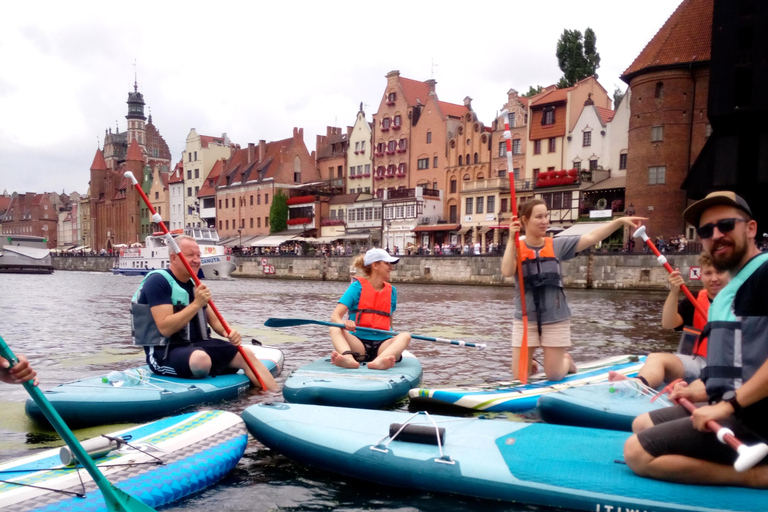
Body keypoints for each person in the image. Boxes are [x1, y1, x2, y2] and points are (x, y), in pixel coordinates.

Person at [625, 191, 768, 487]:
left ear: (751, 229)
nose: (716, 235)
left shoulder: (764, 276)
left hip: (755, 420)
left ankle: (757, 475)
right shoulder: (733, 289)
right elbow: (737, 368)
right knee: (641, 423)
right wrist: (697, 392)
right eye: (706, 230)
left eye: (726, 225)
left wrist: (726, 408)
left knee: (636, 453)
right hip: (736, 407)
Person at [502, 198, 645, 381]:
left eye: (546, 216)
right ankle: (530, 361)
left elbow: (591, 237)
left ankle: (566, 361)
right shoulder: (516, 248)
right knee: (519, 376)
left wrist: (618, 221)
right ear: (524, 221)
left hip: (555, 318)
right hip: (525, 319)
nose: (545, 221)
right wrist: (510, 240)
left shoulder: (556, 245)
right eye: (539, 217)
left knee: (553, 375)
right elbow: (507, 271)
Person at [131, 235, 277, 390]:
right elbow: (165, 328)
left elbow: (215, 322)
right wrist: (196, 304)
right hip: (165, 352)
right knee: (201, 360)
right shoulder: (158, 282)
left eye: (198, 256)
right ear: (173, 258)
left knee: (245, 354)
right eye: (190, 255)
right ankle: (208, 369)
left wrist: (229, 332)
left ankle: (274, 396)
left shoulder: (196, 285)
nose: (196, 260)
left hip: (198, 346)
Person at [609, 252, 728, 389]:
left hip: (729, 367)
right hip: (698, 363)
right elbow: (668, 324)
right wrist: (674, 292)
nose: (714, 278)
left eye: (719, 272)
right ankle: (638, 385)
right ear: (701, 276)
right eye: (708, 273)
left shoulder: (743, 301)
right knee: (656, 358)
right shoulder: (693, 300)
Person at [329, 248, 411, 370]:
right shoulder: (356, 287)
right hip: (358, 344)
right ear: (375, 265)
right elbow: (335, 316)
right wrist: (344, 324)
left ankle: (379, 361)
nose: (391, 268)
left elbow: (390, 323)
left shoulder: (392, 291)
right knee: (334, 327)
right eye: (387, 263)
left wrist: (394, 344)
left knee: (405, 336)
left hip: (383, 345)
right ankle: (348, 358)